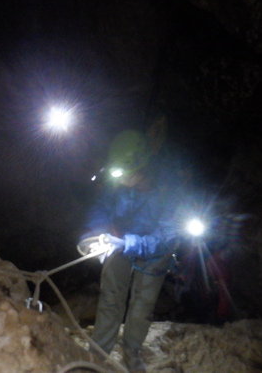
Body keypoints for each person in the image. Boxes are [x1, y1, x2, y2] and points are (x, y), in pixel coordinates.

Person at [79, 129, 186, 372]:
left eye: (124, 174)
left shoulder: (170, 191)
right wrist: (93, 231)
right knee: (111, 297)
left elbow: (166, 236)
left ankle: (131, 351)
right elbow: (102, 206)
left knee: (142, 305)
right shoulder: (117, 180)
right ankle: (99, 353)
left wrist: (127, 243)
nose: (119, 179)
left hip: (154, 253)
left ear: (142, 167)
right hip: (119, 242)